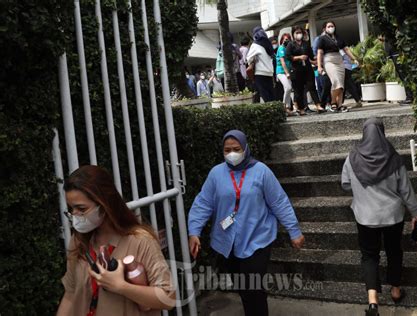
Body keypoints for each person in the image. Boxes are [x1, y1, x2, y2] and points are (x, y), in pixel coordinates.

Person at [188, 130, 305, 316]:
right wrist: (194, 231)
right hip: (227, 241)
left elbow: (279, 202)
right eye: (227, 150)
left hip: (257, 238)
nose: (232, 154)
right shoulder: (216, 174)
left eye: (236, 149)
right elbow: (203, 203)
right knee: (243, 287)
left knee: (254, 288)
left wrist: (294, 231)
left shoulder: (261, 171)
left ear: (245, 148)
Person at [56, 165, 175, 316]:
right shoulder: (79, 241)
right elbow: (70, 296)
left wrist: (122, 287)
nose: (75, 216)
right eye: (71, 209)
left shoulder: (140, 241)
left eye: (81, 209)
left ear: (104, 204)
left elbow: (168, 298)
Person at [341, 118, 417, 316]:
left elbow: (345, 184)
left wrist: (361, 189)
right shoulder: (394, 158)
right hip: (393, 216)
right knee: (394, 251)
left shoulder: (352, 158)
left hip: (365, 217)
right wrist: (416, 214)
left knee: (369, 255)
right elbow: (406, 191)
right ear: (382, 133)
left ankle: (373, 302)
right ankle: (395, 291)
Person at [317, 21, 359, 113]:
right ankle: (333, 103)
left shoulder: (339, 37)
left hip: (339, 60)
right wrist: (319, 66)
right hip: (329, 60)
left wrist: (353, 58)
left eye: (332, 26)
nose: (331, 28)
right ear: (324, 28)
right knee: (336, 81)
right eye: (329, 26)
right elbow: (319, 53)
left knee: (341, 84)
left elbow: (346, 49)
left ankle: (339, 105)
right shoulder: (322, 39)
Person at [286, 25, 324, 115]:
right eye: (297, 33)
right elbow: (288, 56)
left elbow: (312, 56)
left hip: (307, 69)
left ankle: (318, 105)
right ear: (293, 34)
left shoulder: (306, 44)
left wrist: (319, 57)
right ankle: (301, 109)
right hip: (296, 70)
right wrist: (299, 57)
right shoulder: (290, 44)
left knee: (312, 87)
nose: (299, 35)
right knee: (298, 90)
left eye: (300, 33)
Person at [378, 35, 413, 105]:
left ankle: (410, 97)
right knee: (403, 77)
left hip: (397, 56)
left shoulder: (390, 36)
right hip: (396, 56)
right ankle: (410, 97)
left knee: (404, 77)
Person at [247, 26, 276, 102]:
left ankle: (270, 110)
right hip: (269, 72)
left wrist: (253, 60)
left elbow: (248, 58)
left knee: (264, 94)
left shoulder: (255, 45)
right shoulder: (269, 43)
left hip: (260, 72)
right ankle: (274, 108)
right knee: (271, 93)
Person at [275, 33, 295, 116]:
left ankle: (288, 108)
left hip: (288, 71)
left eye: (288, 39)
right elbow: (282, 62)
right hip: (281, 72)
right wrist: (287, 73)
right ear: (282, 40)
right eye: (285, 39)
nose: (286, 41)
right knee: (288, 87)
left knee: (289, 89)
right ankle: (284, 107)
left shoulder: (289, 49)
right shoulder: (281, 48)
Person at [271, 36, 284, 102]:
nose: (274, 45)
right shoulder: (270, 53)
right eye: (273, 43)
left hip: (281, 71)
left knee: (283, 88)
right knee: (276, 89)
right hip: (273, 73)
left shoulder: (280, 50)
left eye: (275, 43)